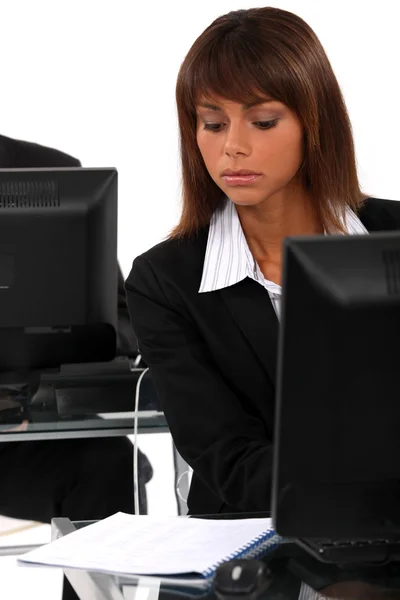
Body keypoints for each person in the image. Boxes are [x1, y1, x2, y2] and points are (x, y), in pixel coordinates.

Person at [125, 6, 400, 518]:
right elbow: (225, 456)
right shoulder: (165, 280)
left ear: (313, 123)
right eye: (212, 123)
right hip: (253, 539)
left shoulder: (392, 236)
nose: (233, 146)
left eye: (263, 121)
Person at [0, 133, 152, 599]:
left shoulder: (42, 171)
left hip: (22, 431)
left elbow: (121, 318)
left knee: (109, 466)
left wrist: (70, 343)